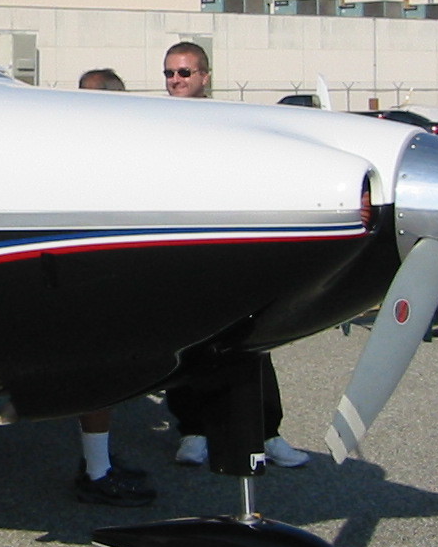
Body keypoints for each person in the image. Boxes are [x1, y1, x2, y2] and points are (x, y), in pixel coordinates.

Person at [160, 41, 309, 469]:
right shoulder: (154, 125)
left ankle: (268, 432)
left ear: (205, 77)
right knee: (185, 347)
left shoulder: (227, 122)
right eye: (169, 73)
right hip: (178, 254)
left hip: (224, 251)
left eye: (185, 73)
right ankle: (193, 431)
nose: (176, 81)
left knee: (250, 344)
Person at [71, 68, 157, 506]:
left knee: (106, 379)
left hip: (108, 275)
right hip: (88, 277)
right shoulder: (84, 152)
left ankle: (98, 462)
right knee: (97, 376)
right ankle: (97, 473)